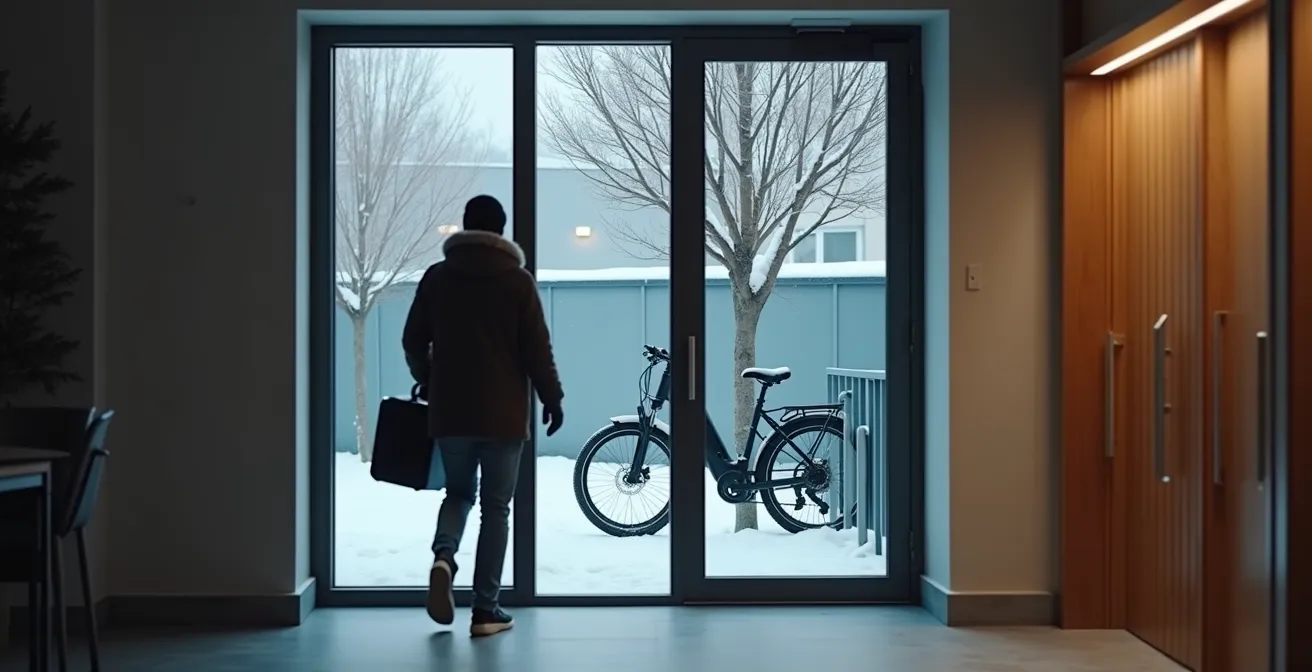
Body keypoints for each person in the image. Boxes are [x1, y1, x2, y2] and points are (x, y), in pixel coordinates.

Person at [401, 194, 565, 637]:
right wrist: (552, 398)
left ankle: (443, 557)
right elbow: (537, 350)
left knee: (457, 494)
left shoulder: (438, 278)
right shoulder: (517, 281)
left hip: (450, 411)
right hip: (503, 415)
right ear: (501, 230)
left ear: (466, 226)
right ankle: (485, 611)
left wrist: (429, 377)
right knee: (496, 508)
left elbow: (412, 339)